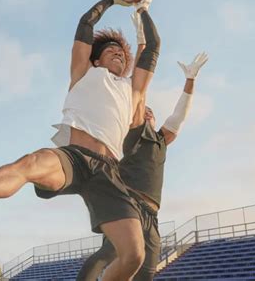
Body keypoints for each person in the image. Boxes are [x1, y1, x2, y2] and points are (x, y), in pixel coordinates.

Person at [0, 0, 160, 281]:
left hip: (109, 173)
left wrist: (144, 9)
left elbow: (152, 48)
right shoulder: (83, 72)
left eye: (122, 54)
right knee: (31, 163)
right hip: (74, 157)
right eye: (112, 50)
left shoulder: (132, 92)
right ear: (95, 58)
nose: (119, 54)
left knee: (134, 255)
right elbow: (85, 24)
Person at [76, 52, 209, 280]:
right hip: (127, 206)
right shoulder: (133, 132)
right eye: (143, 110)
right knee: (108, 254)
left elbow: (180, 115)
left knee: (146, 272)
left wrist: (190, 80)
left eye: (151, 112)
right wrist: (143, 52)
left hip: (152, 213)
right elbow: (138, 92)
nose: (148, 112)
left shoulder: (161, 140)